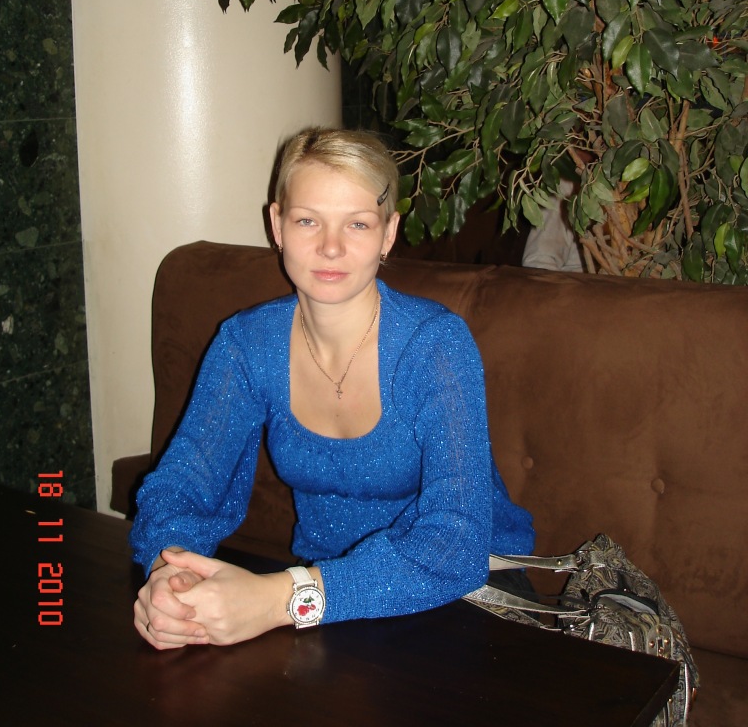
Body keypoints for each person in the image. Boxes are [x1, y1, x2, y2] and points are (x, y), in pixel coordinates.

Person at [131, 127, 534, 650]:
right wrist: (172, 577)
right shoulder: (247, 343)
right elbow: (183, 482)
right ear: (276, 225)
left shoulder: (435, 345)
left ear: (389, 233)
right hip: (327, 600)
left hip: (468, 597)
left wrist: (280, 599)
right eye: (307, 220)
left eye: (358, 224)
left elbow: (455, 543)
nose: (330, 247)